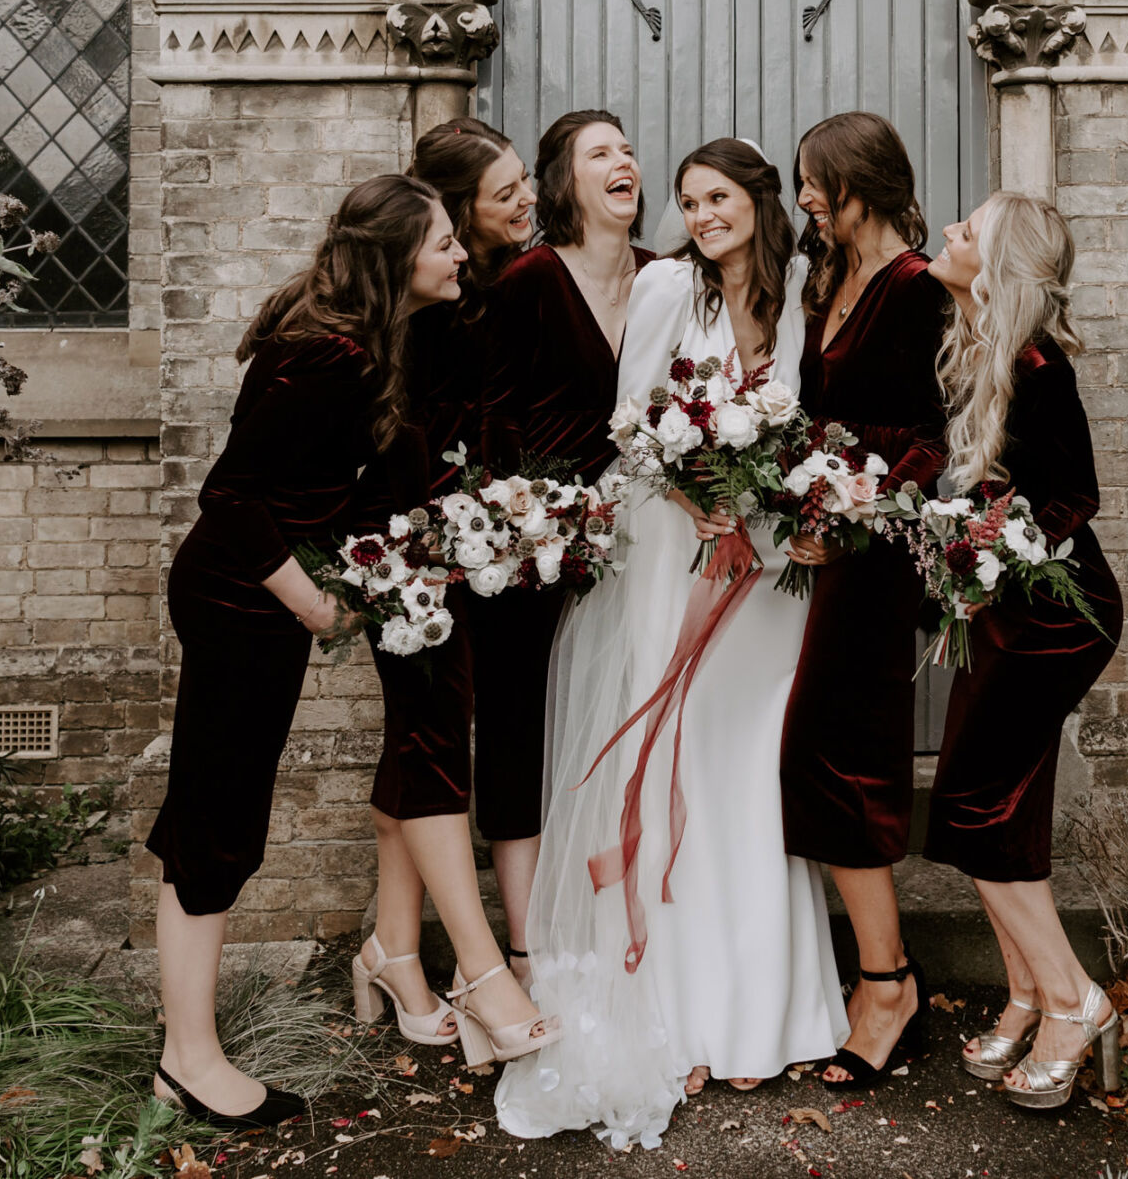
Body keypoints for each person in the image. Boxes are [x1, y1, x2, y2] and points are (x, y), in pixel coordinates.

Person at [494, 138, 846, 1147]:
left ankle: (770, 1013)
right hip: (678, 555)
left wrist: (788, 504)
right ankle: (682, 1011)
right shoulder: (666, 291)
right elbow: (630, 424)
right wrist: (699, 495)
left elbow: (817, 428)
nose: (700, 216)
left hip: (772, 577)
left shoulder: (803, 300)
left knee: (754, 772)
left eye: (717, 197)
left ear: (759, 200)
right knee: (678, 758)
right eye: (688, 202)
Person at [146, 175, 477, 1126]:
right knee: (215, 822)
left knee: (221, 818)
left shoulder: (363, 338)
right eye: (444, 241)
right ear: (395, 257)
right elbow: (231, 495)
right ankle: (188, 1061)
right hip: (235, 599)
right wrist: (311, 600)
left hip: (256, 603)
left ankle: (187, 1050)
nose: (458, 255)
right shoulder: (328, 354)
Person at [925, 190, 1125, 1110]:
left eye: (968, 230)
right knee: (998, 810)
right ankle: (1026, 993)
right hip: (1001, 613)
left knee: (969, 804)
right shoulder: (973, 349)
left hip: (1056, 616)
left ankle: (1075, 1000)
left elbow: (1073, 496)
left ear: (998, 263)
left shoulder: (1039, 367)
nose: (950, 235)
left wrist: (997, 548)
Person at [352, 119, 547, 1050]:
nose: (525, 201)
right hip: (405, 556)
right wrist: (433, 536)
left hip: (461, 548)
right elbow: (397, 443)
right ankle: (479, 970)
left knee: (417, 743)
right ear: (453, 213)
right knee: (431, 742)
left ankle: (392, 952)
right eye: (504, 191)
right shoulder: (417, 308)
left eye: (524, 184)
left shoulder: (492, 285)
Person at [777, 111, 951, 1089]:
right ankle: (884, 974)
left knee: (844, 756)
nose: (804, 200)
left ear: (861, 185)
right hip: (831, 547)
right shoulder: (828, 279)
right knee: (820, 755)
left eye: (815, 182)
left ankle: (888, 983)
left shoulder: (918, 289)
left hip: (882, 555)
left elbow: (934, 434)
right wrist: (802, 494)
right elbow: (815, 419)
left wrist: (858, 502)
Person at [470, 110, 657, 986]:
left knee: (627, 736)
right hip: (536, 548)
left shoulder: (667, 279)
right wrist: (531, 514)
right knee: (520, 732)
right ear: (563, 183)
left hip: (644, 551)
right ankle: (527, 947)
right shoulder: (529, 281)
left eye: (625, 149)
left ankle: (630, 932)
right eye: (599, 152)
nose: (623, 160)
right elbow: (491, 416)